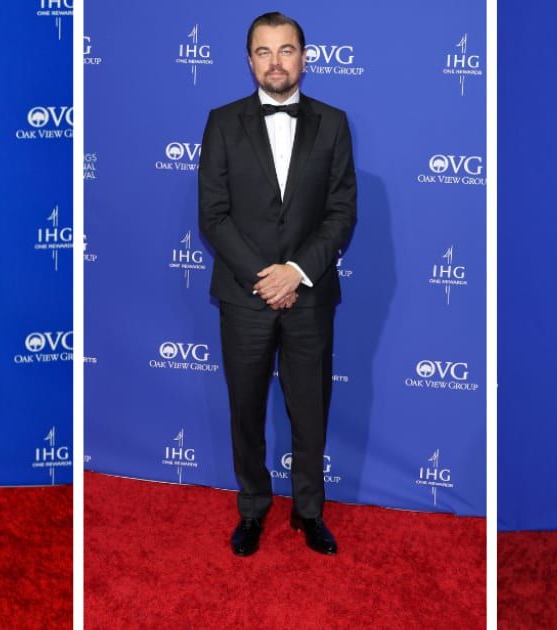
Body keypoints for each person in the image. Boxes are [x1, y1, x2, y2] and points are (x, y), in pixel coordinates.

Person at [198, 11, 357, 557]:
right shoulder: (222, 122)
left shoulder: (333, 123)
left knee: (310, 408)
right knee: (245, 408)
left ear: (304, 57)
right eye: (263, 52)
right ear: (249, 61)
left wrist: (297, 272)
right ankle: (253, 509)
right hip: (244, 296)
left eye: (286, 50)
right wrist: (265, 278)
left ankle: (309, 511)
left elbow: (341, 213)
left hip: (311, 295)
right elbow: (213, 215)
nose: (275, 62)